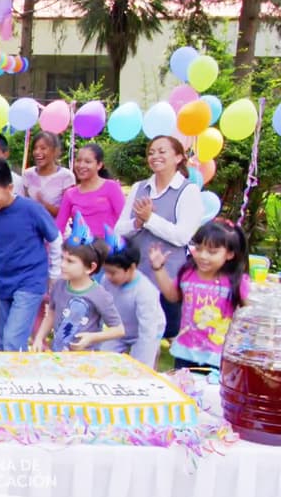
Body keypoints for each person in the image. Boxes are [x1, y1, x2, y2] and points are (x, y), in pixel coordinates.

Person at [115, 135, 205, 339]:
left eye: (162, 151)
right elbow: (119, 230)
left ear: (179, 157)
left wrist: (150, 219)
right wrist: (137, 223)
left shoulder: (188, 191)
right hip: (136, 273)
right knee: (132, 333)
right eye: (151, 152)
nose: (155, 156)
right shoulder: (139, 188)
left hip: (168, 277)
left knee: (161, 334)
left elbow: (182, 236)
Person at [0, 157, 63, 352]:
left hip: (30, 282)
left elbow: (56, 239)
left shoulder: (31, 209)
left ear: (10, 188)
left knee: (13, 340)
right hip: (3, 282)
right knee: (2, 341)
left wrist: (54, 275)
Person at [150, 219, 249, 369]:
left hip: (218, 355)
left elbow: (249, 314)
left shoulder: (236, 282)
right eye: (198, 248)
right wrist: (158, 269)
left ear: (229, 254)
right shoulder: (188, 274)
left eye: (212, 252)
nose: (203, 256)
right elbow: (172, 295)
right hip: (186, 351)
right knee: (182, 384)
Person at [32, 241, 124, 352]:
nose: (62, 264)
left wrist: (91, 338)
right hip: (58, 354)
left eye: (70, 261)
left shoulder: (100, 295)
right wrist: (39, 338)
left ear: (90, 268)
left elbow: (119, 330)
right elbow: (51, 313)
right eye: (62, 258)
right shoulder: (59, 284)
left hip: (86, 358)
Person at [99, 228, 164, 368]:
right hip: (120, 330)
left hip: (146, 331)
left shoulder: (145, 291)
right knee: (101, 359)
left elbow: (148, 331)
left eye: (113, 273)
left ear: (131, 268)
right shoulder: (106, 281)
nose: (108, 276)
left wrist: (143, 364)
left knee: (140, 367)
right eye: (106, 271)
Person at [55, 143, 125, 238]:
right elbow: (59, 226)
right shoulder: (70, 194)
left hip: (108, 245)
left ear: (99, 165)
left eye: (88, 162)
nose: (81, 165)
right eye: (78, 160)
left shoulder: (111, 187)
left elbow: (124, 220)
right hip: (80, 246)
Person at [23, 132, 76, 219]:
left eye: (43, 148)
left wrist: (43, 204)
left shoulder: (66, 176)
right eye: (35, 148)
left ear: (55, 151)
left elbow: (67, 213)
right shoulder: (28, 174)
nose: (37, 152)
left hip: (55, 226)